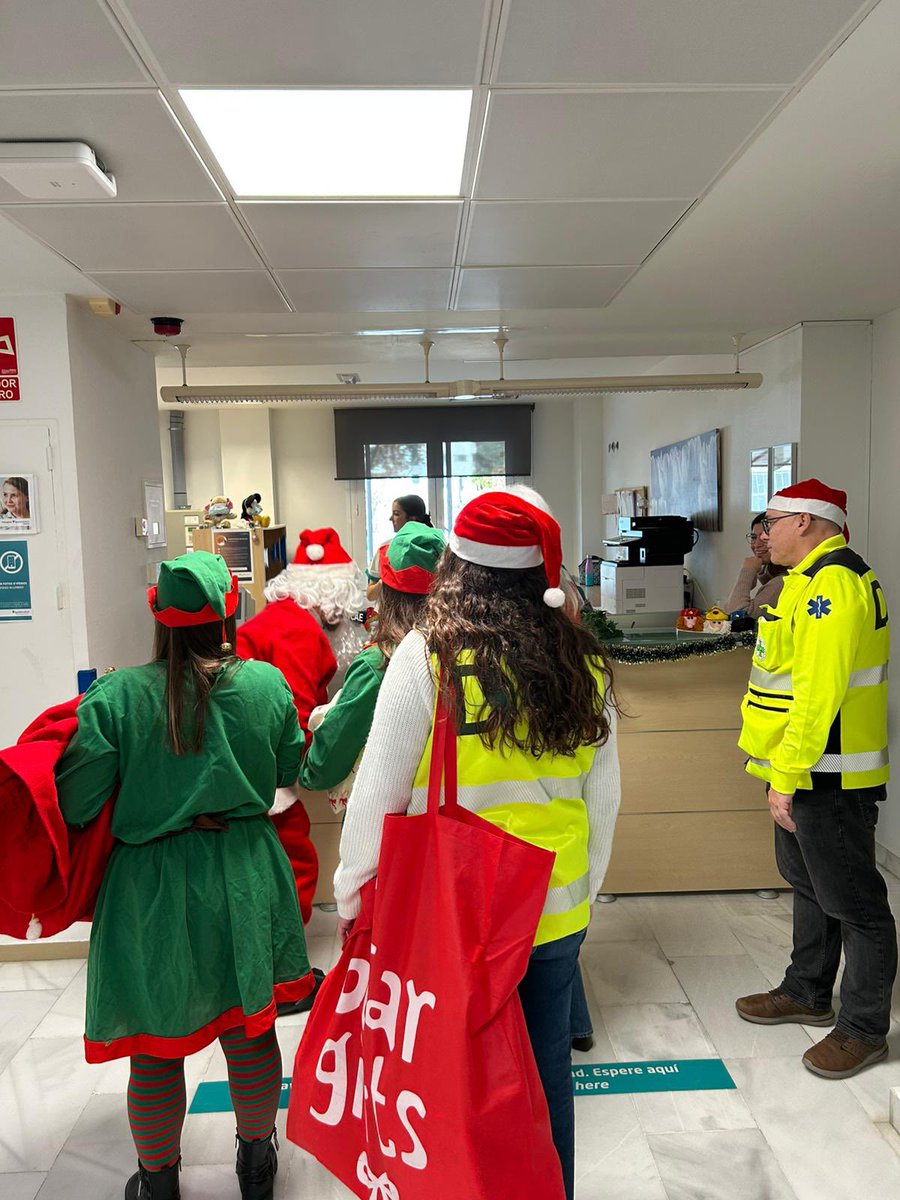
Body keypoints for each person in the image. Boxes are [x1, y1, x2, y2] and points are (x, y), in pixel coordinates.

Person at [334, 486, 621, 1200]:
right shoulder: (581, 665)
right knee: (546, 1073)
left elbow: (379, 793)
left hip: (455, 919)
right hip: (553, 912)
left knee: (448, 1080)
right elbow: (604, 799)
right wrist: (586, 896)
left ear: (457, 564)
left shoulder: (426, 657)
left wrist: (350, 891)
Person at [54, 552, 313, 1200]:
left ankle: (159, 1183)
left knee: (156, 1046)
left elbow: (78, 802)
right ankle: (256, 1167)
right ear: (231, 611)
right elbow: (288, 770)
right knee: (249, 1031)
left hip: (151, 889)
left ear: (158, 618)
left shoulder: (115, 699)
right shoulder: (267, 686)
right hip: (245, 872)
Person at [734, 479, 896, 1079]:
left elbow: (815, 696)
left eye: (771, 521)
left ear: (805, 522)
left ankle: (863, 1028)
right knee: (808, 884)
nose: (763, 533)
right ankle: (806, 990)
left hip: (825, 774)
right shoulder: (808, 581)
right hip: (804, 768)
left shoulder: (833, 586)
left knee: (857, 905)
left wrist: (788, 777)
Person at [236, 527, 366, 932]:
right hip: (260, 768)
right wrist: (314, 766)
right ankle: (287, 968)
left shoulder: (281, 618)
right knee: (295, 862)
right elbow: (292, 712)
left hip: (244, 756)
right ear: (332, 600)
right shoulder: (299, 632)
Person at [299, 521, 446, 801]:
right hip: (455, 808)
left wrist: (310, 770)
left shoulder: (379, 663)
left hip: (388, 814)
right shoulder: (467, 649)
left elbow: (331, 755)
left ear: (384, 589)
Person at [366, 493, 433, 601]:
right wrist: (385, 580)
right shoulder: (385, 549)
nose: (391, 518)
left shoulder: (434, 549)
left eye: (396, 514)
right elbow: (370, 595)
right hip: (390, 615)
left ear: (413, 519)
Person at [725, 512, 787, 617]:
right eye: (754, 537)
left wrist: (747, 572)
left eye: (766, 537)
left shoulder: (782, 581)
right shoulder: (771, 575)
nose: (757, 545)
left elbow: (735, 614)